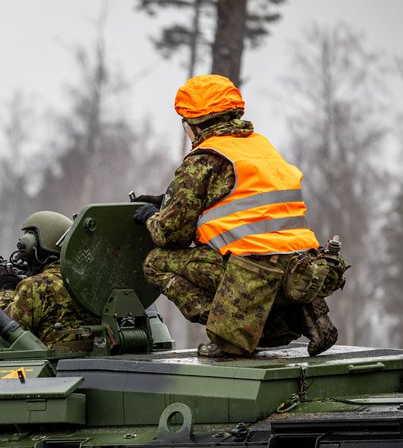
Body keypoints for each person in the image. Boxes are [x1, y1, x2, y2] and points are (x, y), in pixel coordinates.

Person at [133, 74, 340, 358]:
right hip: (298, 268)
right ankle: (305, 316)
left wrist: (151, 217)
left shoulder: (205, 157)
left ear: (193, 124)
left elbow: (171, 235)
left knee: (156, 263)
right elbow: (244, 207)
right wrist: (170, 202)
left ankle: (242, 331)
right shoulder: (261, 148)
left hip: (252, 273)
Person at [0, 211, 95, 349]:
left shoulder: (35, 286)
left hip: (51, 360)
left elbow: (5, 334)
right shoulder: (93, 279)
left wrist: (6, 290)